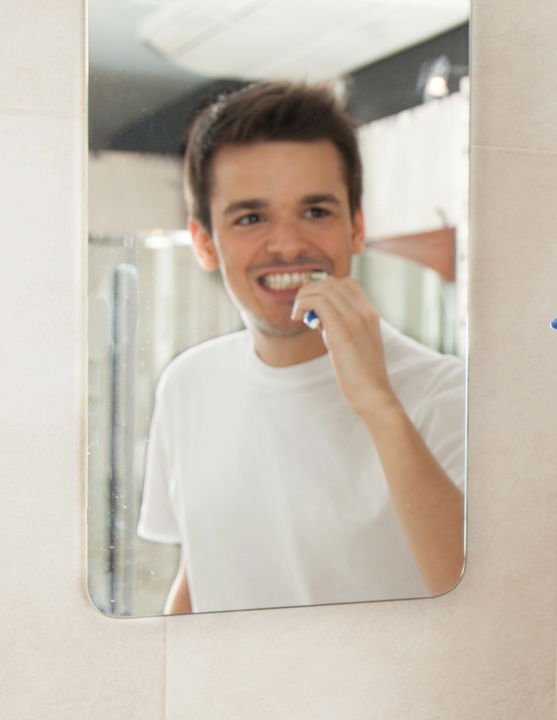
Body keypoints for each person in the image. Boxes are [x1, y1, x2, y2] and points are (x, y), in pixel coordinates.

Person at [137, 81, 465, 614]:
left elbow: (477, 599)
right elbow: (200, 574)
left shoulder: (446, 395)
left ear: (356, 228)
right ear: (203, 242)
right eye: (251, 218)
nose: (288, 245)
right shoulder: (187, 384)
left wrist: (379, 405)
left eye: (315, 212)